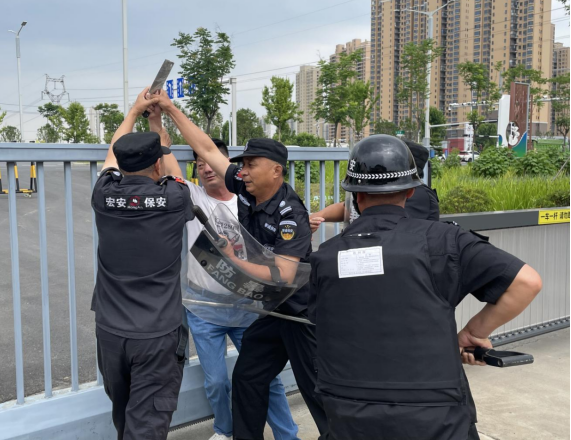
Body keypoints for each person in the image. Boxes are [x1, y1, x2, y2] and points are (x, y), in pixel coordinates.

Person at [308, 134, 542, 440]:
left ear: (355, 195)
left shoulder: (325, 256)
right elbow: (526, 282)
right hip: (434, 416)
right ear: (410, 191)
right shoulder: (446, 241)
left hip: (348, 414)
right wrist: (473, 334)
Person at [151, 89, 328, 439]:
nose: (241, 171)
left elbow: (284, 274)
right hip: (269, 311)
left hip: (298, 314)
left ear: (276, 170)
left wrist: (231, 259)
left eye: (250, 165)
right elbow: (205, 149)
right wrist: (169, 108)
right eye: (241, 165)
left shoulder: (290, 214)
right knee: (248, 377)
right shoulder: (247, 190)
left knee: (316, 390)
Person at [178, 136, 300, 440]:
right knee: (216, 381)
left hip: (247, 306)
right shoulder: (193, 196)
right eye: (199, 164)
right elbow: (172, 163)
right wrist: (158, 119)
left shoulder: (247, 200)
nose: (206, 168)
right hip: (205, 309)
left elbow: (282, 250)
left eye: (210, 162)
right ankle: (224, 430)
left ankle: (287, 435)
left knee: (266, 378)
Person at [91, 87, 193, 440]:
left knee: (124, 416)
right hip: (156, 335)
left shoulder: (103, 195)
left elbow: (111, 154)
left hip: (110, 332)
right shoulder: (175, 199)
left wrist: (135, 112)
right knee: (147, 424)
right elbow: (175, 172)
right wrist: (157, 123)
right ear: (157, 164)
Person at [308, 139, 439, 234]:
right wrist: (317, 216)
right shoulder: (373, 190)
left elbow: (393, 231)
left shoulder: (418, 196)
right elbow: (347, 208)